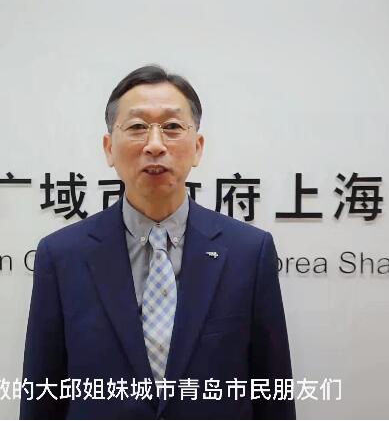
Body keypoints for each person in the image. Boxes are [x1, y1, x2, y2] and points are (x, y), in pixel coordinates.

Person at [20, 65, 295, 419]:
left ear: (197, 148)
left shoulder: (249, 252)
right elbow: (42, 396)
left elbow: (273, 395)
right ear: (109, 148)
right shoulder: (61, 255)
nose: (154, 144)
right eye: (137, 127)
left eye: (172, 127)